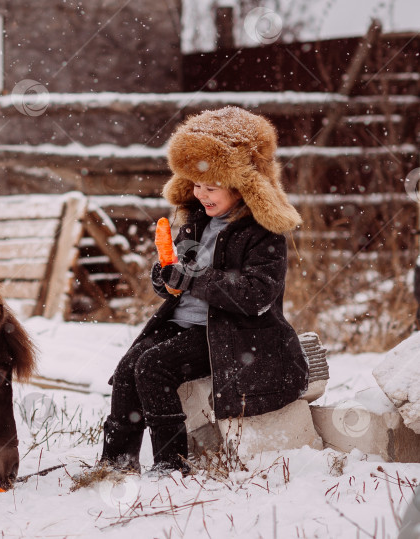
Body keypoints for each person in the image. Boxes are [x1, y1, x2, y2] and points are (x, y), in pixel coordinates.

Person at [100, 106, 309, 475]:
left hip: (231, 333)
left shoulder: (262, 234)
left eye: (211, 188)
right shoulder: (197, 222)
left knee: (153, 367)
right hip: (183, 323)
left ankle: (171, 463)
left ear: (241, 186)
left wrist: (194, 279)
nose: (201, 195)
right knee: (129, 365)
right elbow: (178, 276)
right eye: (196, 185)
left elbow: (255, 296)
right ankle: (116, 460)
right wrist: (165, 279)